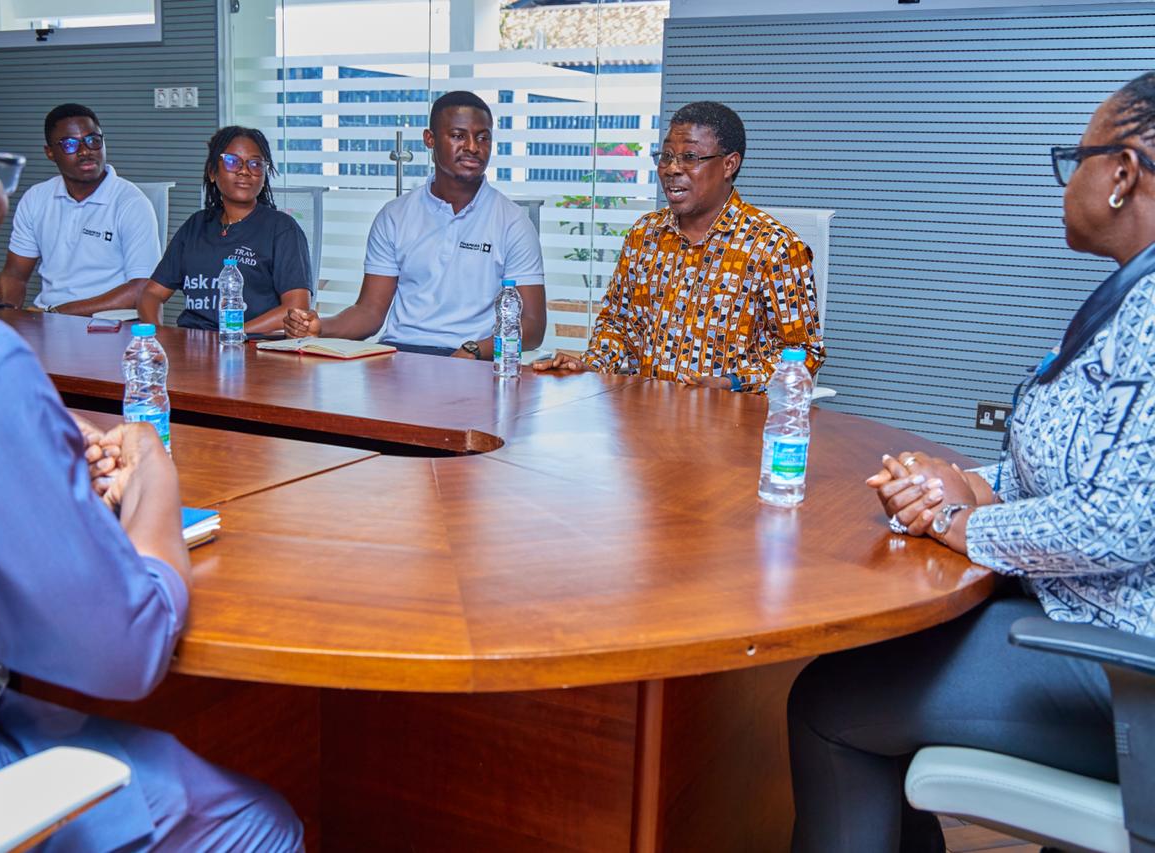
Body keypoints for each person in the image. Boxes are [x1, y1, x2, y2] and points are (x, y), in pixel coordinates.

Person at [0, 38, 302, 851]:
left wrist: (29, 432)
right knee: (261, 823)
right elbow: (122, 653)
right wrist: (153, 475)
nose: (3, 200)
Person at [786, 75, 1155, 853]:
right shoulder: (1130, 298)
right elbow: (1078, 462)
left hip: (1127, 668)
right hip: (1085, 618)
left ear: (1121, 174)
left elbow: (1120, 519)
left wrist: (963, 520)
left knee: (828, 700)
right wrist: (974, 481)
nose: (1067, 182)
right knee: (877, 651)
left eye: (1074, 159)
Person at [532, 101, 823, 392]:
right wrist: (592, 364)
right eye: (666, 156)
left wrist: (733, 383)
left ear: (729, 164)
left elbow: (804, 352)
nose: (672, 169)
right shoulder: (645, 235)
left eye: (690, 157)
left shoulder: (775, 247)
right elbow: (617, 324)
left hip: (731, 424)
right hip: (642, 416)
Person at [282, 91, 546, 359]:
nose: (473, 147)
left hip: (472, 359)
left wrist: (475, 351)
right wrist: (321, 327)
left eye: (483, 137)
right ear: (429, 139)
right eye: (458, 136)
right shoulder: (394, 216)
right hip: (401, 356)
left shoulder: (513, 222)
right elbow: (370, 312)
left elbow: (533, 326)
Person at [137, 126, 312, 333]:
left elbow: (296, 307)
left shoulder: (282, 229)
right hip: (191, 346)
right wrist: (157, 337)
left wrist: (233, 334)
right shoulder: (196, 225)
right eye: (232, 161)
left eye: (255, 164)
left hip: (251, 348)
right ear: (212, 172)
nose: (244, 170)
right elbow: (152, 294)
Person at [0, 103, 161, 315]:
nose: (85, 151)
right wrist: (10, 316)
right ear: (50, 153)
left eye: (93, 141)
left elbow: (143, 288)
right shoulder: (36, 198)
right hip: (47, 321)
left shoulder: (131, 203)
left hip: (107, 326)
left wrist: (58, 313)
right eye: (70, 144)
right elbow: (14, 275)